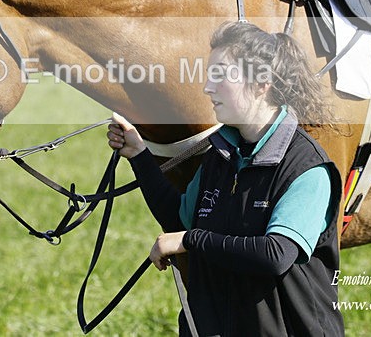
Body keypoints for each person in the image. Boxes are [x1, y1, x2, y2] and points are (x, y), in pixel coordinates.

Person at [108, 21, 344, 336]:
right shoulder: (220, 154)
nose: (207, 87)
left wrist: (189, 241)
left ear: (262, 83)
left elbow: (276, 255)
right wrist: (139, 155)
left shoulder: (306, 168)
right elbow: (180, 218)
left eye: (221, 75)